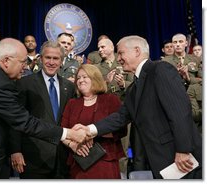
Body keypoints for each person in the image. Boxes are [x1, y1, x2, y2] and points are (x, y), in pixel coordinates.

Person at [0, 38, 87, 179]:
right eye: (23, 62)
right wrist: (69, 134)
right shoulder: (1, 86)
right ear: (6, 61)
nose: (25, 66)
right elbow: (24, 122)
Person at [75, 35, 202, 179]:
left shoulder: (160, 69)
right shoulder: (133, 88)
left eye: (121, 53)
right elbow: (120, 117)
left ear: (136, 51)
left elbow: (180, 112)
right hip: (162, 162)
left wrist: (183, 150)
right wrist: (89, 129)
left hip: (182, 159)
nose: (118, 58)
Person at [10, 40, 76, 178]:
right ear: (40, 58)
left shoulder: (69, 87)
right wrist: (15, 150)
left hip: (63, 158)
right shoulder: (25, 83)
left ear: (61, 61)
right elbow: (15, 120)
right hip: (34, 157)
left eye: (56, 58)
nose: (51, 62)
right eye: (48, 57)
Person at [61, 64, 126, 179]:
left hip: (105, 162)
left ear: (95, 78)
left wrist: (90, 134)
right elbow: (63, 131)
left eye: (85, 77)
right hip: (79, 162)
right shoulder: (72, 103)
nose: (80, 80)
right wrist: (73, 144)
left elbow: (121, 130)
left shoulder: (111, 100)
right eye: (78, 78)